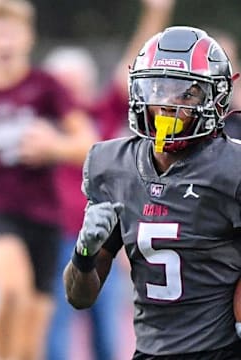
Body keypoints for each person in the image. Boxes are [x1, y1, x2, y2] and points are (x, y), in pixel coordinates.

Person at [63, 26, 241, 359]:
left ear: (216, 98)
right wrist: (83, 255)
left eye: (185, 94)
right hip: (150, 352)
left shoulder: (233, 168)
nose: (167, 103)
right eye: (157, 88)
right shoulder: (111, 164)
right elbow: (79, 298)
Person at [0, 0, 97, 359]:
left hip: (44, 217)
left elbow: (88, 140)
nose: (3, 43)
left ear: (28, 38)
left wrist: (55, 145)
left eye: (11, 33)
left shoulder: (46, 88)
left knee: (31, 344)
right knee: (12, 289)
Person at [44, 1, 175, 358]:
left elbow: (131, 69)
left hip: (104, 235)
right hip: (54, 234)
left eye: (76, 84)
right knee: (55, 326)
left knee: (106, 325)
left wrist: (156, 14)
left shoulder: (99, 112)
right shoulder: (40, 126)